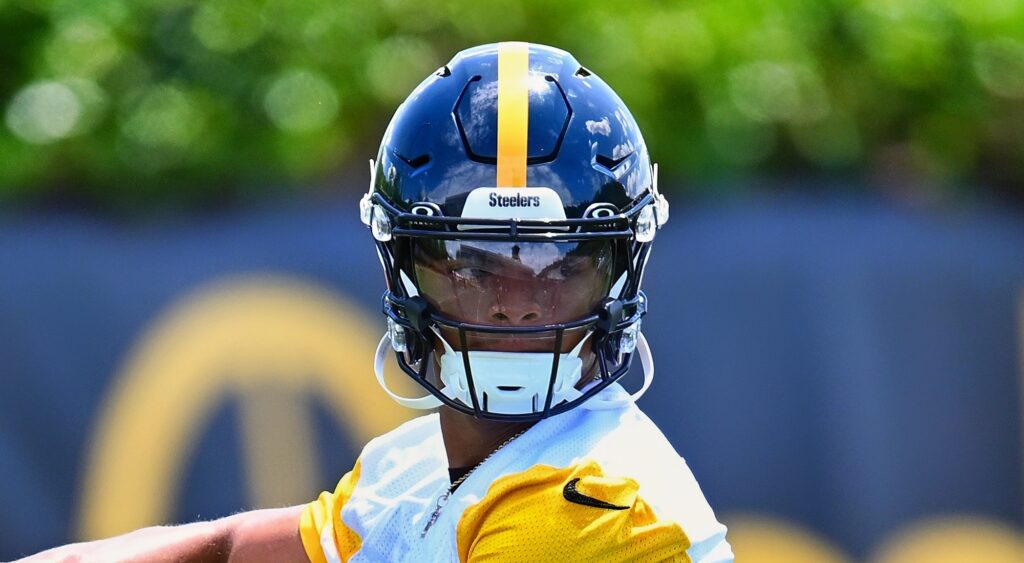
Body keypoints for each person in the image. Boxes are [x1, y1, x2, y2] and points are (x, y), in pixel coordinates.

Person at [21, 42, 732, 563]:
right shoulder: (418, 466)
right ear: (403, 265)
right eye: (472, 265)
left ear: (619, 270)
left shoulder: (598, 505)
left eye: (558, 265)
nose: (514, 305)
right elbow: (223, 547)